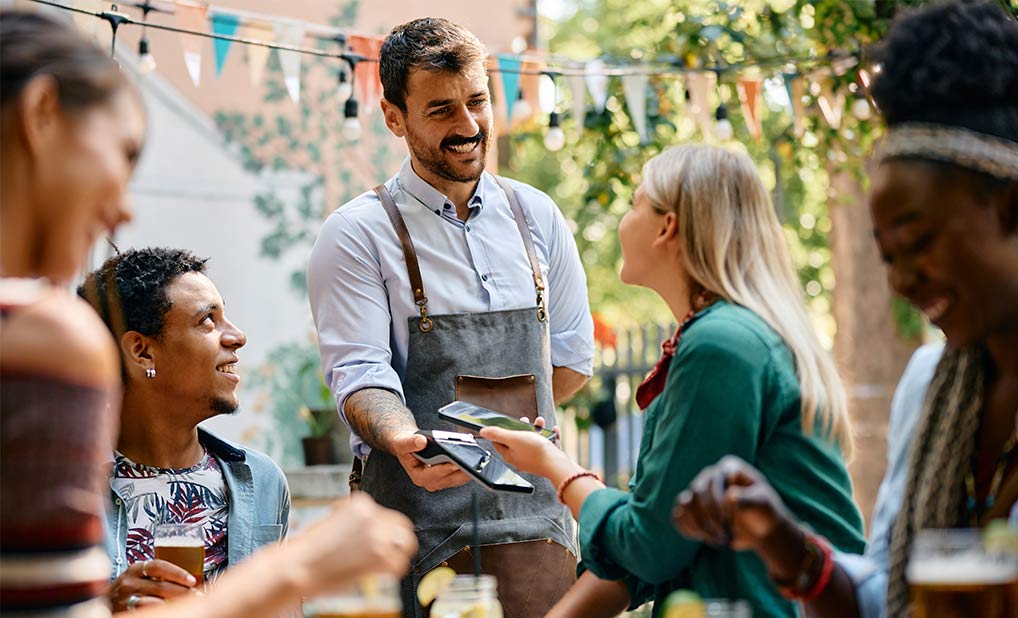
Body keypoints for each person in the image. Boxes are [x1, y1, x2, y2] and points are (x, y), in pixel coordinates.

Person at [0, 10, 415, 618]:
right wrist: (300, 567)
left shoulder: (256, 481)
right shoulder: (39, 338)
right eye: (121, 154)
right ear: (41, 112)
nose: (122, 209)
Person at [672, 2, 1018, 617]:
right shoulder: (928, 391)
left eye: (919, 243)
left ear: (1010, 209)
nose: (904, 282)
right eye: (887, 257)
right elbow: (886, 599)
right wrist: (782, 541)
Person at [481, 143, 866, 617]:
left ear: (668, 227)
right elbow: (649, 551)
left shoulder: (721, 346)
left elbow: (650, 545)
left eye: (634, 202)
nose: (624, 219)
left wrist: (557, 468)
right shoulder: (720, 337)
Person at [306, 17, 595, 618]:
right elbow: (359, 375)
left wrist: (507, 443)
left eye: (477, 102)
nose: (467, 127)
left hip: (538, 532)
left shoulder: (537, 215)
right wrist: (403, 439)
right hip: (417, 537)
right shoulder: (358, 234)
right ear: (393, 117)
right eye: (440, 110)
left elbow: (569, 362)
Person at [76, 247, 290, 612]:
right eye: (208, 320)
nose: (237, 336)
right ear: (142, 352)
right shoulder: (62, 489)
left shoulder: (263, 480)